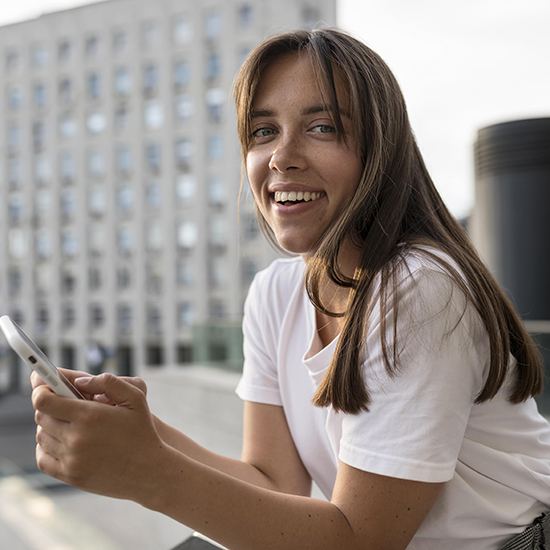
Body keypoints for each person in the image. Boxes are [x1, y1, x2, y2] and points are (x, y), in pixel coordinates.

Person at [31, 28, 550, 550]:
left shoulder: (420, 289)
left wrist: (148, 473)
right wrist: (141, 433)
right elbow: (274, 483)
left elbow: (360, 540)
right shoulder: (275, 293)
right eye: (262, 132)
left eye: (322, 127)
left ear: (381, 151)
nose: (282, 156)